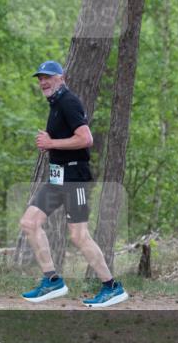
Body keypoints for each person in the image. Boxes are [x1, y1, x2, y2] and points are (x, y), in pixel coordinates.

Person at [19, 60, 129, 308]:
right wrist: (51, 143)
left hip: (75, 178)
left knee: (79, 235)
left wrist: (51, 144)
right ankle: (52, 281)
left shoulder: (68, 101)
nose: (43, 82)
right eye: (40, 78)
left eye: (48, 77)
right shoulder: (56, 103)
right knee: (29, 222)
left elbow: (86, 139)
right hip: (58, 179)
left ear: (61, 78)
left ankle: (112, 287)